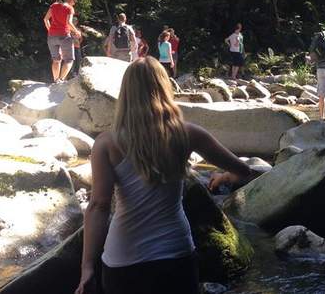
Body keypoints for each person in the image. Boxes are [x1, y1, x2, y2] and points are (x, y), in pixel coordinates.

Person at [74, 57, 259, 294]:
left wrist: (87, 267)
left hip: (123, 258)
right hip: (175, 252)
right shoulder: (188, 133)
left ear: (126, 93)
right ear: (164, 87)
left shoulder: (106, 143)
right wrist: (223, 178)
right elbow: (243, 171)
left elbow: (98, 206)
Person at [43, 0, 81, 83]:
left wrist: (50, 30)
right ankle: (61, 79)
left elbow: (45, 19)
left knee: (56, 60)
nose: (74, 4)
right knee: (69, 60)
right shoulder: (69, 8)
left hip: (51, 36)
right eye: (74, 2)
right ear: (70, 0)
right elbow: (69, 23)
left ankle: (56, 80)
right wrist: (76, 31)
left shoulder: (54, 5)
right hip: (64, 36)